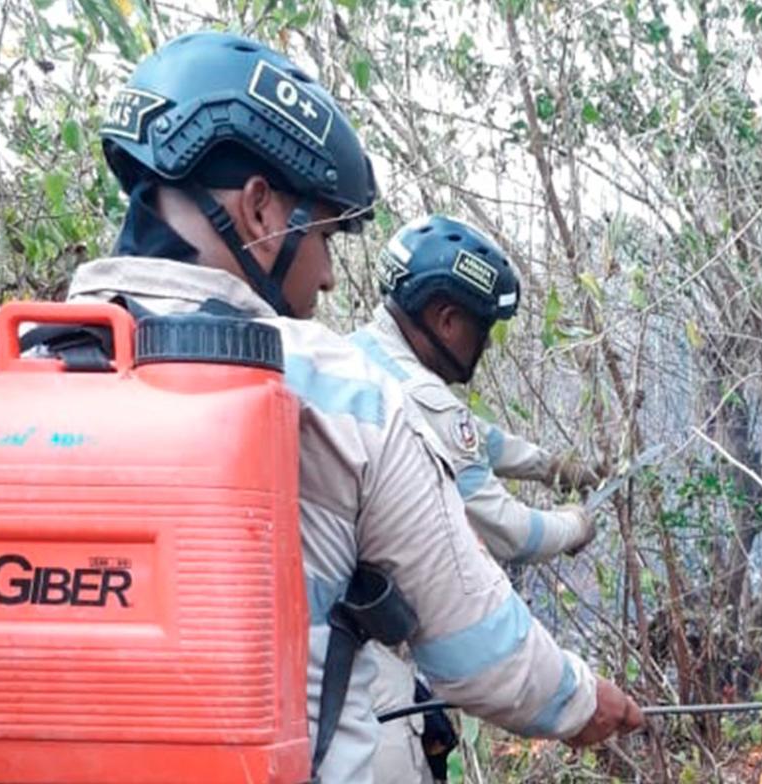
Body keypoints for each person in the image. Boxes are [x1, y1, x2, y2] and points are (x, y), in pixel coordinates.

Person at [62, 30, 642, 784]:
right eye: (327, 234)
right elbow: (480, 649)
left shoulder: (28, 360)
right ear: (262, 210)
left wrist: (553, 464)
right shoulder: (339, 392)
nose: (331, 277)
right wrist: (578, 699)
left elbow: (479, 441)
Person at [352, 216, 605, 781]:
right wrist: (576, 525)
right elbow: (509, 531)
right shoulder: (421, 395)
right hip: (361, 672)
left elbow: (474, 437)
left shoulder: (359, 359)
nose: (485, 345)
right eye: (482, 329)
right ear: (446, 319)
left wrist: (552, 467)